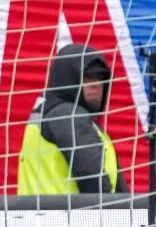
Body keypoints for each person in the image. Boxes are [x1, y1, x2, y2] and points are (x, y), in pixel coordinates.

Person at [17, 43, 129, 195]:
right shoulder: (67, 115)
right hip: (70, 217)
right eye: (88, 77)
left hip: (43, 215)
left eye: (101, 78)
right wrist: (111, 216)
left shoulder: (47, 114)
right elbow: (92, 177)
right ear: (68, 78)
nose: (96, 85)